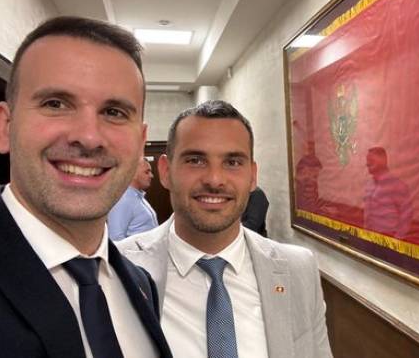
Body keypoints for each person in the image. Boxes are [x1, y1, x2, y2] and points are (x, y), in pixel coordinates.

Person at [0, 16, 172, 358]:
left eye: (114, 112)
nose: (88, 136)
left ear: (140, 141)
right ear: (4, 126)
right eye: (55, 104)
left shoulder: (140, 284)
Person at [117, 100, 333, 358]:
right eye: (195, 160)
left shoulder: (298, 269)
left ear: (252, 176)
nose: (215, 179)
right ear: (165, 171)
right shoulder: (117, 266)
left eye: (232, 162)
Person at [363, 146, 414, 239]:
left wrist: (397, 239)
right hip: (369, 238)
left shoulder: (397, 185)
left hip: (388, 238)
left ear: (383, 161)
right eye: (367, 160)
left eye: (371, 160)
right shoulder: (369, 184)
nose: (367, 164)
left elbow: (406, 214)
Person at [109, 157, 159, 240]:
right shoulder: (122, 199)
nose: (151, 175)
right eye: (147, 172)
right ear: (133, 174)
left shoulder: (138, 197)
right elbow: (115, 238)